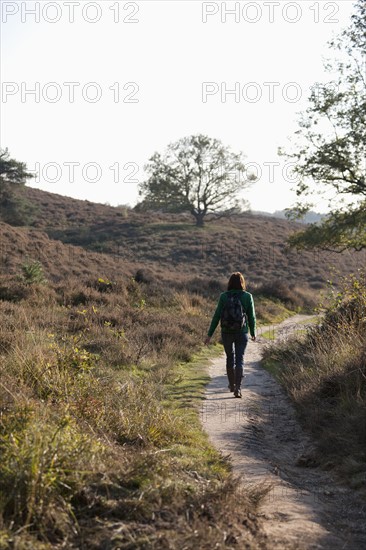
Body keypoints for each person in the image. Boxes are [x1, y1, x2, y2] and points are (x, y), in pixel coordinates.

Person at [204, 272, 256, 398]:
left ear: (230, 283)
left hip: (226, 332)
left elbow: (216, 316)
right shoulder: (247, 296)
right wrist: (253, 333)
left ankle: (231, 385)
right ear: (242, 282)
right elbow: (251, 316)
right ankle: (238, 388)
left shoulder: (224, 296)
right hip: (242, 332)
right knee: (240, 359)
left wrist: (209, 334)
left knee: (229, 358)